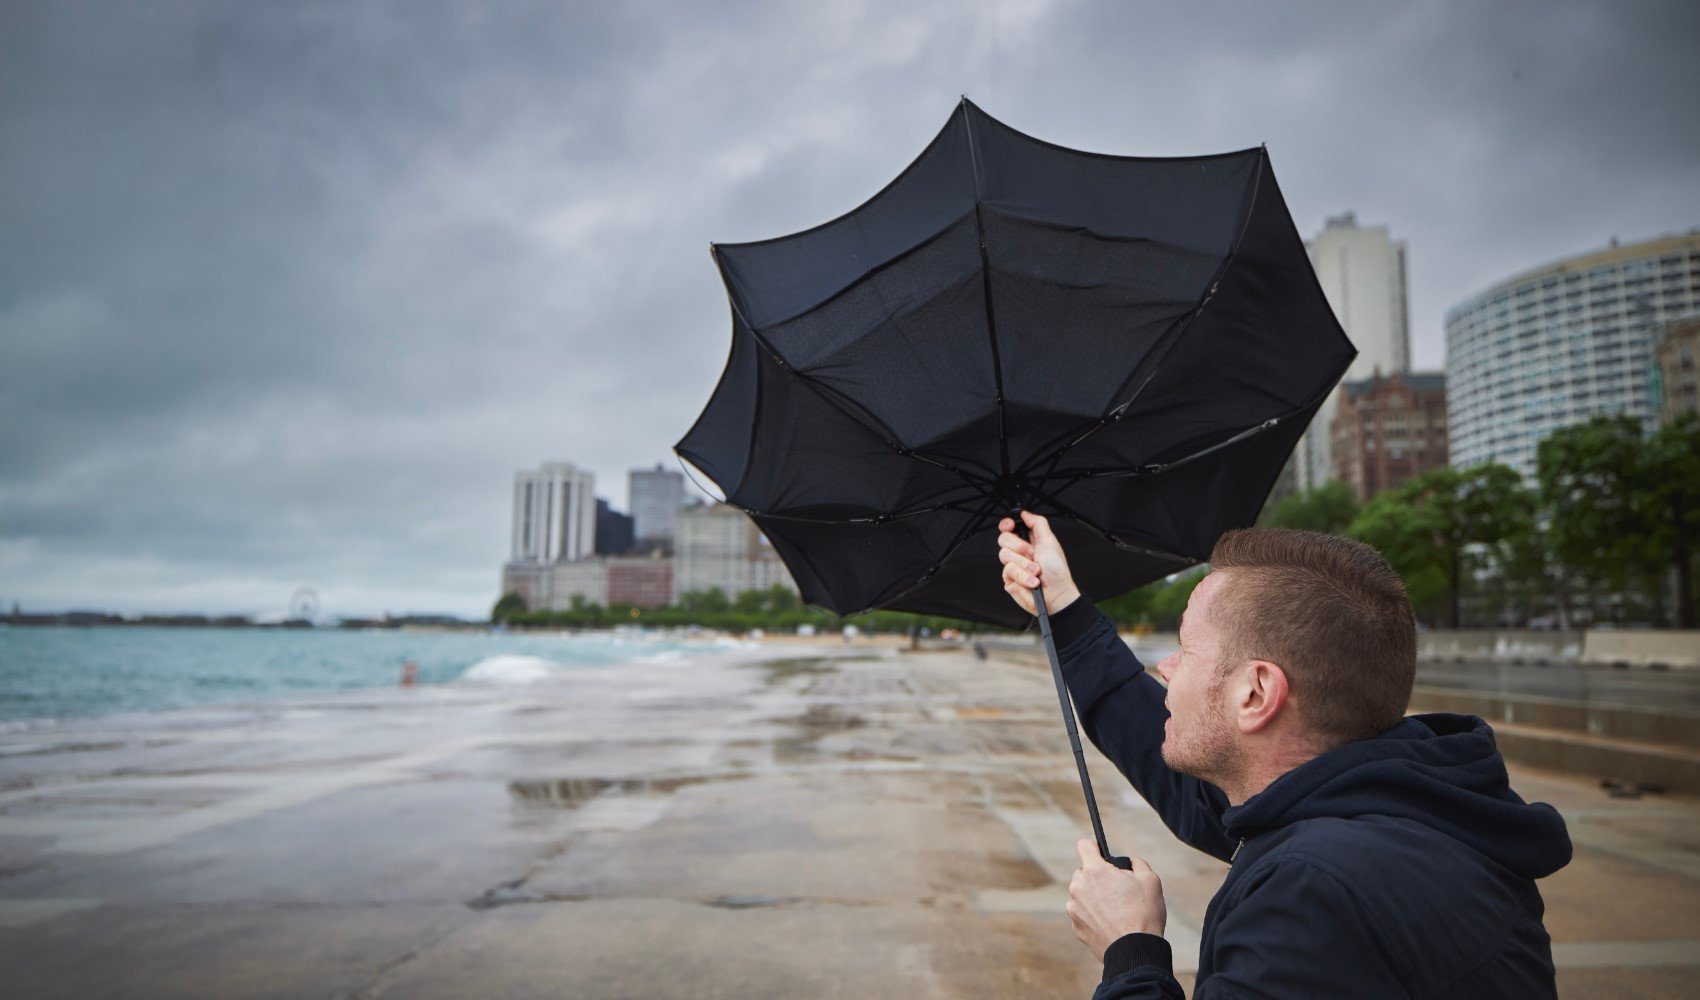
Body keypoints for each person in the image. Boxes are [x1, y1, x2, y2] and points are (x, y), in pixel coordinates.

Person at [996, 511, 1571, 999]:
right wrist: (1065, 609)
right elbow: (1190, 787)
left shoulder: (1314, 895)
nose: (1165, 668)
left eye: (1186, 650)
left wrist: (1130, 949)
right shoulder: (1387, 810)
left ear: (1256, 693)